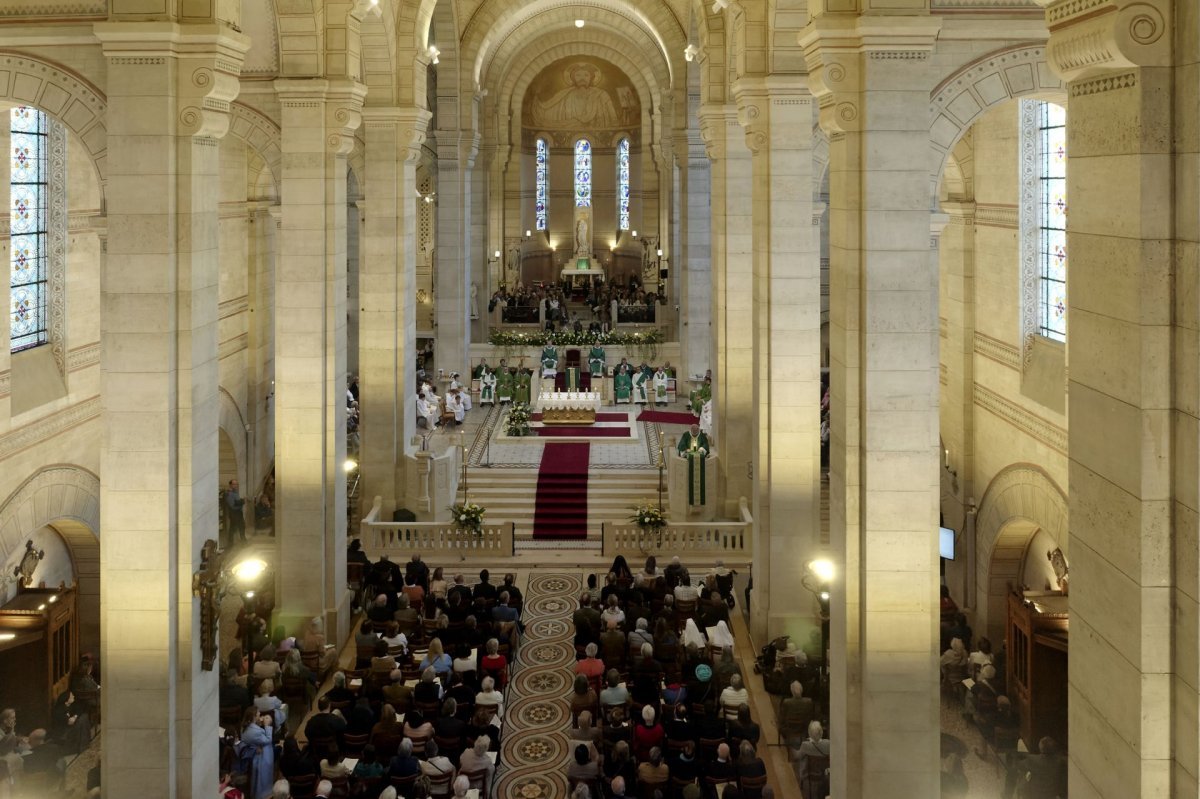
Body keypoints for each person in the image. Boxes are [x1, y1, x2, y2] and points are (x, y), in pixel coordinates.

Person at [237, 708, 275, 799]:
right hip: (263, 755)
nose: (260, 715)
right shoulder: (256, 731)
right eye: (258, 714)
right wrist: (267, 725)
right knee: (262, 779)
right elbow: (268, 739)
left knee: (256, 778)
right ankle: (264, 795)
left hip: (253, 752)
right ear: (254, 717)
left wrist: (258, 723)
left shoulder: (244, 727)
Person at [792, 721, 830, 799]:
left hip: (809, 778)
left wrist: (791, 749)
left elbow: (797, 757)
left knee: (803, 759)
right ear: (821, 732)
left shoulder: (806, 745)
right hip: (823, 776)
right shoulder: (828, 744)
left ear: (810, 733)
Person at [225, 478, 247, 544]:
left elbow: (237, 501)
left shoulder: (235, 492)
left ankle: (243, 541)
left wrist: (241, 501)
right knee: (233, 528)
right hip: (234, 513)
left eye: (236, 484)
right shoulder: (229, 494)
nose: (236, 485)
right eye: (234, 484)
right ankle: (230, 543)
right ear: (230, 485)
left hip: (238, 513)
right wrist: (242, 501)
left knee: (242, 527)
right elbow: (233, 505)